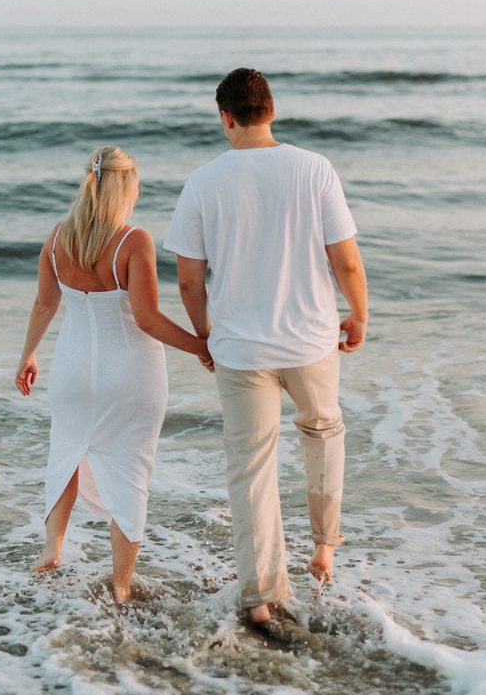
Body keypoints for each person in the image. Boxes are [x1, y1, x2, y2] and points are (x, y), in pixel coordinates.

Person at [163, 68, 368, 626]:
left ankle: (259, 596)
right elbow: (345, 259)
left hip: (241, 349)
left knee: (250, 466)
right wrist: (359, 315)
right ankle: (324, 546)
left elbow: (188, 279)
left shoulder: (204, 181)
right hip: (311, 340)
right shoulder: (314, 169)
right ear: (271, 110)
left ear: (225, 117)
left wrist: (205, 335)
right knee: (323, 432)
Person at [15, 146, 213, 603]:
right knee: (129, 468)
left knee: (67, 451)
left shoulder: (58, 237)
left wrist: (28, 354)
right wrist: (200, 346)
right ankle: (121, 584)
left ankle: (51, 548)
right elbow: (146, 319)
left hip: (70, 369)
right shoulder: (133, 241)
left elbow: (45, 303)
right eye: (137, 183)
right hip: (130, 373)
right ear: (126, 187)